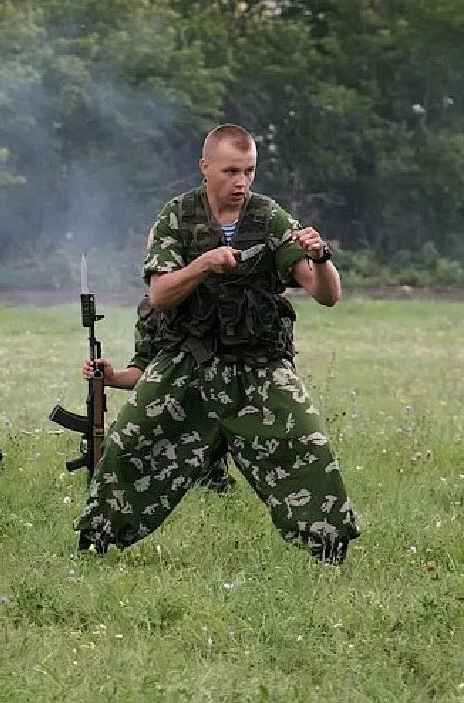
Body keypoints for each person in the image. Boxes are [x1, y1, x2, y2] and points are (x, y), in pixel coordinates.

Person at [74, 123, 360, 563]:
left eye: (249, 171)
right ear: (206, 168)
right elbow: (161, 294)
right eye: (230, 171)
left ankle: (330, 547)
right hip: (188, 362)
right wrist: (203, 264)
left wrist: (321, 258)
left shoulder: (269, 218)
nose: (241, 182)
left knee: (308, 447)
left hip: (258, 365)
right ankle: (98, 538)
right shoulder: (178, 217)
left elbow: (327, 294)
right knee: (131, 444)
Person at [82, 298, 233, 494]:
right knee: (118, 447)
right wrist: (111, 377)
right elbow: (144, 369)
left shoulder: (224, 299)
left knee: (206, 481)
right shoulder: (152, 308)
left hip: (211, 406)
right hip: (164, 408)